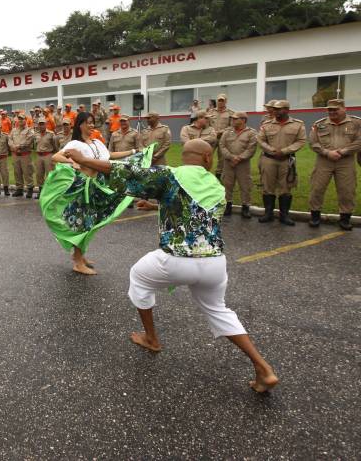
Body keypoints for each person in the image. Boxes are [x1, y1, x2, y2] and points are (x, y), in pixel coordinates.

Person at [70, 139, 279, 392]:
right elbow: (192, 207)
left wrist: (83, 160)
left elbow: (125, 172)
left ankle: (151, 338)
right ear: (207, 159)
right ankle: (262, 368)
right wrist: (156, 203)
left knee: (138, 276)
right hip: (214, 263)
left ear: (186, 156)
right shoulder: (216, 184)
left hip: (176, 260)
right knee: (218, 310)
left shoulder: (170, 175)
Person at [41, 112, 146, 275]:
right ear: (80, 124)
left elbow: (109, 156)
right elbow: (56, 156)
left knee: (91, 223)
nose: (91, 126)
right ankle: (77, 262)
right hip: (83, 189)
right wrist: (72, 162)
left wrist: (133, 152)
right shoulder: (75, 143)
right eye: (88, 123)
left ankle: (81, 256)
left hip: (98, 187)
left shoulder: (97, 142)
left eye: (93, 123)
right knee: (83, 224)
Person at [307, 99, 360, 230]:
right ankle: (315, 216)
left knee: (347, 190)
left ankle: (345, 219)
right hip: (324, 161)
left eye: (335, 109)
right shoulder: (319, 124)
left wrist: (343, 151)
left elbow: (359, 142)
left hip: (346, 161)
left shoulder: (356, 123)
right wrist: (326, 152)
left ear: (344, 109)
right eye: (329, 110)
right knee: (317, 188)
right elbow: (313, 143)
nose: (332, 112)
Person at [257, 100, 306, 225]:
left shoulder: (297, 124)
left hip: (286, 160)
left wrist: (285, 151)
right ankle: (268, 213)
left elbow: (301, 141)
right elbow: (260, 140)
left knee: (285, 188)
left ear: (287, 110)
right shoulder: (266, 124)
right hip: (269, 159)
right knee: (268, 187)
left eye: (279, 109)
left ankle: (284, 215)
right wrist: (271, 149)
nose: (276, 111)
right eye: (275, 109)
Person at [219, 112, 257, 218]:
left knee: (245, 185)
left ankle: (245, 207)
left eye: (236, 119)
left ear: (243, 120)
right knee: (227, 184)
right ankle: (227, 205)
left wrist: (239, 158)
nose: (233, 121)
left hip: (243, 164)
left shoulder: (251, 133)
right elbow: (222, 145)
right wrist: (231, 157)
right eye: (233, 119)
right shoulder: (227, 132)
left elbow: (251, 148)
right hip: (228, 162)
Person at [8, 113, 36, 198]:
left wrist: (19, 146)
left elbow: (29, 141)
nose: (20, 120)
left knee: (27, 172)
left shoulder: (29, 130)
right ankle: (19, 189)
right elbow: (10, 139)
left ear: (25, 120)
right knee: (17, 172)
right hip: (16, 155)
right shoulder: (13, 130)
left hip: (25, 155)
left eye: (22, 119)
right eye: (19, 119)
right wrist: (13, 146)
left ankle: (30, 189)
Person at [210, 94, 235, 177]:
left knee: (222, 158)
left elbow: (232, 126)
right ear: (217, 101)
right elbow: (207, 124)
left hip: (223, 138)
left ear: (226, 101)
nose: (220, 102)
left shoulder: (231, 113)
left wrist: (222, 131)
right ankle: (205, 172)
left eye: (222, 100)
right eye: (219, 100)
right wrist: (212, 132)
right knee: (207, 155)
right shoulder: (210, 112)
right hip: (212, 138)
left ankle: (218, 174)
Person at [34, 117, 58, 199]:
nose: (41, 126)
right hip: (39, 155)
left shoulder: (51, 134)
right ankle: (41, 192)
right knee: (39, 175)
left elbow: (55, 146)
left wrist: (52, 155)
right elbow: (34, 145)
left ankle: (49, 193)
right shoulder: (36, 134)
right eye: (40, 124)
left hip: (48, 155)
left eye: (42, 124)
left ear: (46, 124)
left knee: (49, 175)